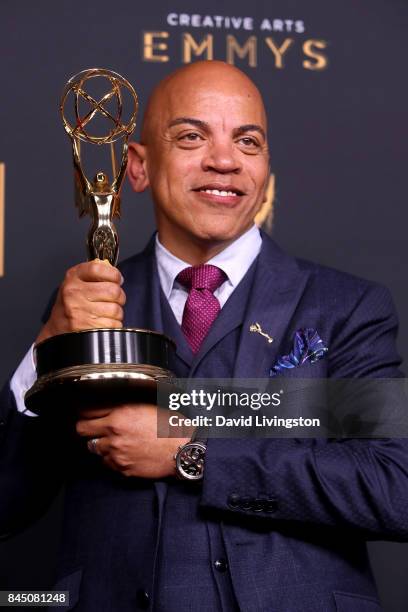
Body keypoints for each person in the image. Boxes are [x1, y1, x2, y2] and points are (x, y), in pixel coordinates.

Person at [1, 60, 407, 612]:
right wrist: (47, 347)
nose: (224, 161)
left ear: (265, 168)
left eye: (248, 141)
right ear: (137, 167)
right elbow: (8, 502)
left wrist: (191, 450)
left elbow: (392, 489)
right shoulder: (86, 306)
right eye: (191, 136)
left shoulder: (347, 309)